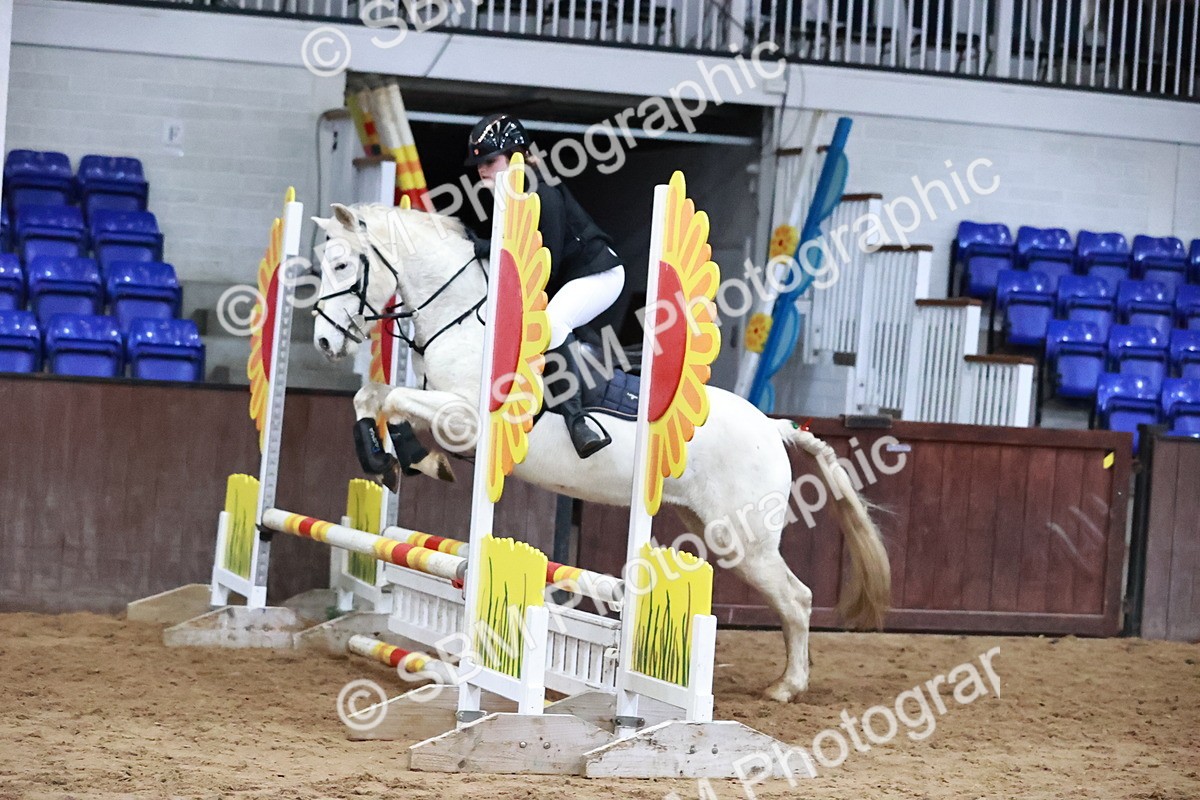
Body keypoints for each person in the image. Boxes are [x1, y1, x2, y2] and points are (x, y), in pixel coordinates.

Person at [464, 113, 625, 459]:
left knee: (549, 324)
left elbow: (541, 265)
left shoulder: (541, 190)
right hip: (570, 274)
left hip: (600, 274)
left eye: (490, 161)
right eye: (479, 164)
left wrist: (482, 249)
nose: (481, 170)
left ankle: (578, 422)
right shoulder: (510, 194)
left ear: (515, 155)